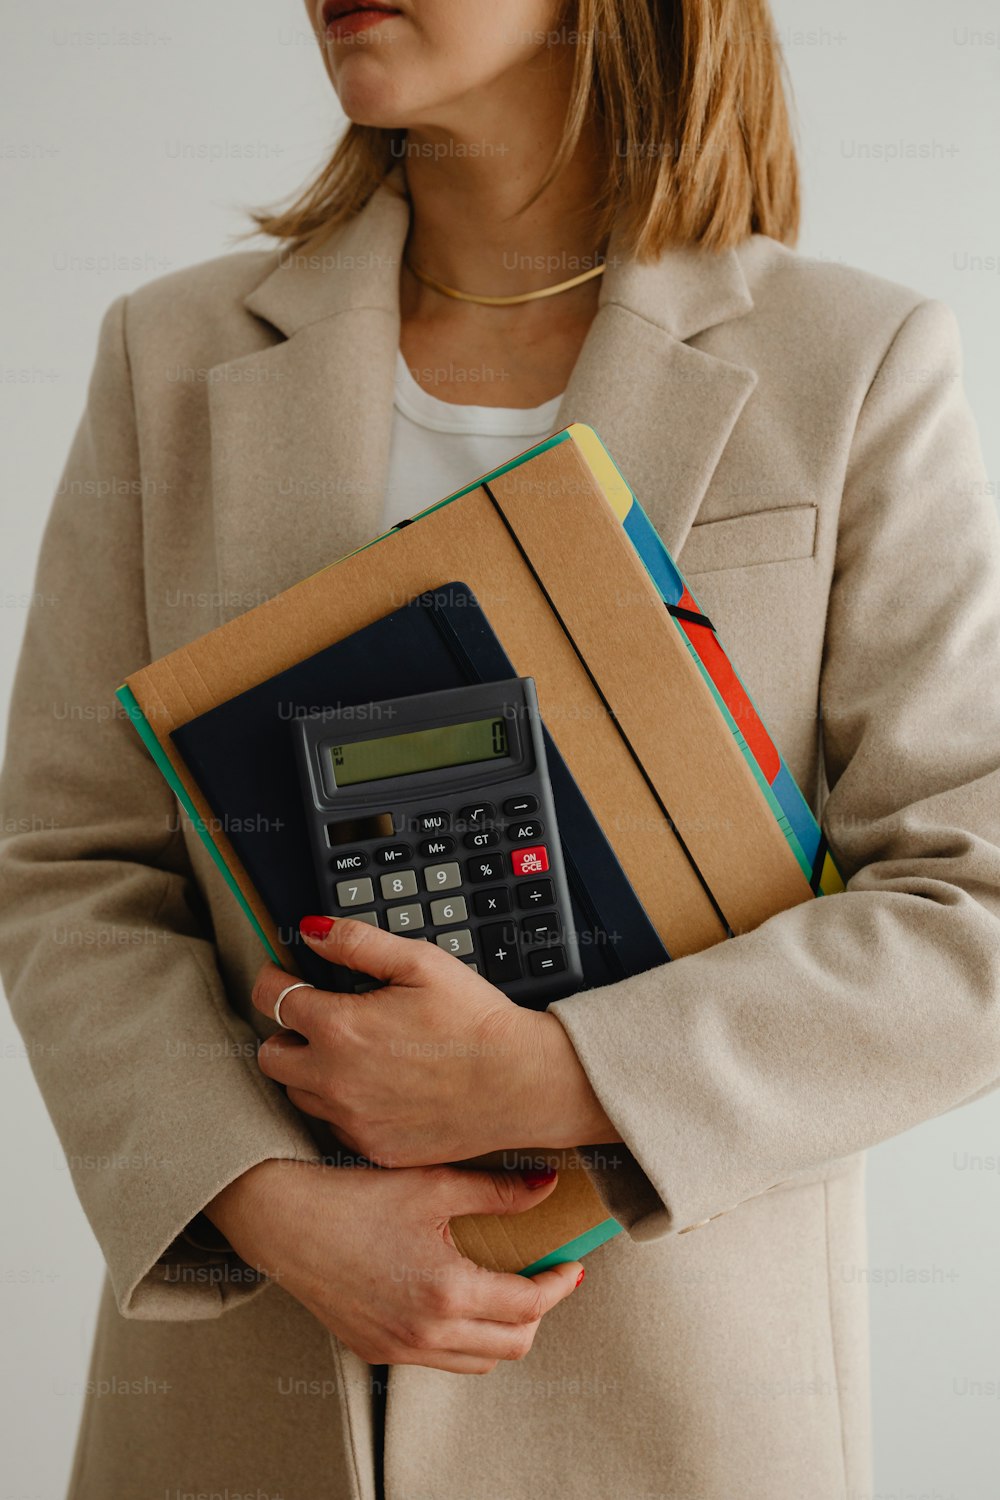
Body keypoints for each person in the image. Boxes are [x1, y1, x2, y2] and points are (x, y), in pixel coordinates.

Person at [3, 1, 1000, 1496]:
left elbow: (970, 905)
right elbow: (68, 865)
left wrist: (555, 1077)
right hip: (235, 1414)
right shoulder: (169, 352)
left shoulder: (852, 359)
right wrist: (259, 1198)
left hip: (678, 1419)